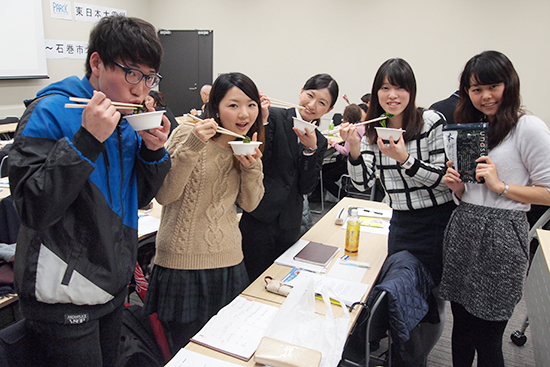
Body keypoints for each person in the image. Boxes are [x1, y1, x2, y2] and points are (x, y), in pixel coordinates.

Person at [8, 15, 171, 366]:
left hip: (112, 284)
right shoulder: (50, 110)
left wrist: (153, 152)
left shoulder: (127, 118)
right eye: (131, 73)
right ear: (97, 63)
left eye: (149, 77)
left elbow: (140, 199)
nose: (141, 89)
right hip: (62, 293)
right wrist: (86, 140)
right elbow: (33, 207)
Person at [440, 50, 550, 367]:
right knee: (460, 330)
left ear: (509, 84)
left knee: (488, 339)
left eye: (493, 86)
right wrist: (458, 189)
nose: (485, 96)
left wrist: (501, 186)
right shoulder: (473, 127)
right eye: (476, 89)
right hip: (464, 228)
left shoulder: (528, 127)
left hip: (503, 237)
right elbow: (472, 193)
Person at [341, 58, 455, 364]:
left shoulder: (430, 123)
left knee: (430, 297)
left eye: (400, 87)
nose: (392, 95)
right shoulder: (373, 129)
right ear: (376, 92)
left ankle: (417, 355)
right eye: (385, 87)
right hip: (401, 222)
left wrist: (405, 158)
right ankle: (400, 349)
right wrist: (353, 147)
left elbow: (445, 181)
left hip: (436, 222)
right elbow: (363, 183)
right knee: (401, 292)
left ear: (411, 91)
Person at [143, 72, 265, 354]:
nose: (244, 113)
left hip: (228, 260)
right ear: (216, 107)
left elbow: (250, 204)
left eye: (251, 104)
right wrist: (193, 146)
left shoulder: (247, 143)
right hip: (182, 263)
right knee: (186, 351)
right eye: (233, 105)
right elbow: (165, 195)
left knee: (226, 347)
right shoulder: (188, 132)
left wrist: (250, 167)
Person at [240, 73, 337, 281]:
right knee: (251, 278)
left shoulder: (319, 140)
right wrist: (263, 122)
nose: (312, 105)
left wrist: (309, 151)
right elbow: (258, 162)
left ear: (329, 110)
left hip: (290, 223)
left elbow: (306, 187)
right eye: (309, 95)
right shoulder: (273, 116)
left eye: (322, 103)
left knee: (282, 280)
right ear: (301, 92)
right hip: (259, 216)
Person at [323, 103, 363, 199]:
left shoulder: (352, 130)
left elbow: (345, 151)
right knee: (324, 168)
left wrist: (333, 143)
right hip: (361, 162)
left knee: (325, 176)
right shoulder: (362, 126)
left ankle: (344, 196)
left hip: (350, 165)